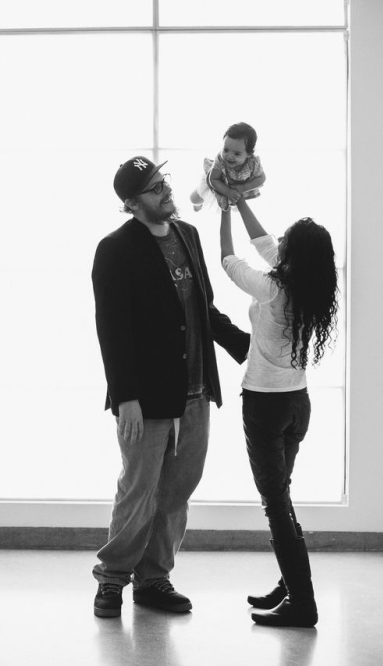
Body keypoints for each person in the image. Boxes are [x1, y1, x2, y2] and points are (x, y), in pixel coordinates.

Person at [90, 156, 250, 618]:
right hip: (145, 397)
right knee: (138, 491)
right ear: (131, 204)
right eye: (152, 188)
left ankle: (154, 579)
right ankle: (113, 580)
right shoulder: (115, 249)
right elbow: (112, 329)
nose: (164, 191)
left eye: (163, 181)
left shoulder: (188, 236)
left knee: (177, 491)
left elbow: (204, 310)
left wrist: (248, 345)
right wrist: (125, 398)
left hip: (196, 390)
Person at [218, 198, 339, 627]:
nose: (280, 242)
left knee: (275, 503)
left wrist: (223, 212)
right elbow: (264, 242)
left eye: (288, 240)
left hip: (266, 406)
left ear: (294, 254)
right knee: (282, 497)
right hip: (297, 404)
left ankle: (302, 605)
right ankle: (290, 584)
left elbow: (230, 261)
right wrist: (239, 202)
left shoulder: (274, 287)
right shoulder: (308, 282)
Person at [190, 122, 266, 213]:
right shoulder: (221, 159)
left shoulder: (253, 162)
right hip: (219, 182)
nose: (229, 157)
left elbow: (261, 178)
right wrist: (228, 192)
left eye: (237, 153)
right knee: (194, 199)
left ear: (249, 154)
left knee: (234, 207)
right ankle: (199, 205)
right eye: (225, 150)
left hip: (240, 186)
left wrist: (243, 188)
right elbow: (213, 179)